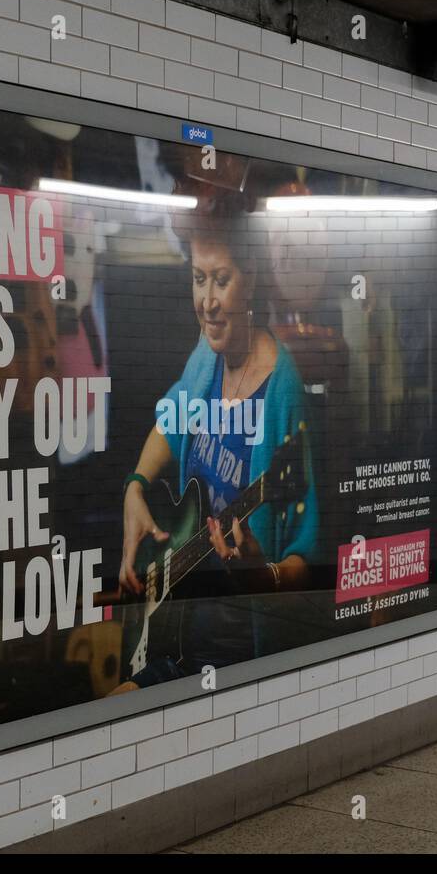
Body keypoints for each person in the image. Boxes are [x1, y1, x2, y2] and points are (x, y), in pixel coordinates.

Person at [109, 215, 319, 693]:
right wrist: (135, 487)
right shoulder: (208, 354)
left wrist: (259, 573)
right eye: (198, 279)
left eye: (221, 280)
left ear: (254, 280)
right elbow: (172, 417)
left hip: (229, 643)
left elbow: (305, 561)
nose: (206, 301)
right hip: (179, 612)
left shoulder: (285, 395)